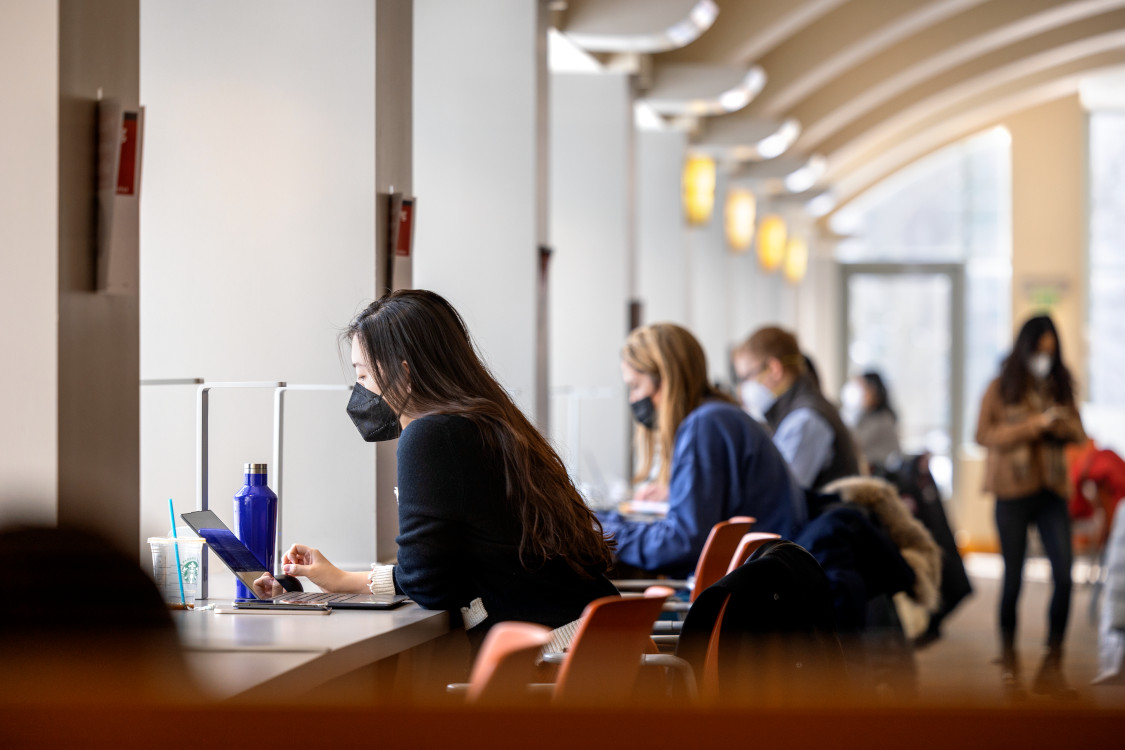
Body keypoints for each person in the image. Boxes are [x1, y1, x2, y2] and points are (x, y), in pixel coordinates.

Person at [255, 289, 618, 642]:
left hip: (547, 661)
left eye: (363, 375)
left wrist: (342, 580)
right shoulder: (492, 422)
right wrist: (337, 579)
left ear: (404, 372)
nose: (359, 390)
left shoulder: (430, 436)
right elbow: (450, 569)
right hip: (594, 644)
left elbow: (429, 584)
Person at [595, 323, 806, 577]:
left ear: (666, 380)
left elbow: (681, 543)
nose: (632, 399)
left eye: (636, 386)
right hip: (769, 579)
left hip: (749, 591)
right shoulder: (721, 416)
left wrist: (601, 531)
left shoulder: (704, 426)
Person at [976, 314, 1086, 697]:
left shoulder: (1060, 386)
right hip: (1012, 492)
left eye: (1050, 352)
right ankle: (1009, 664)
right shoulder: (999, 387)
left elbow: (1079, 432)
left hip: (1052, 491)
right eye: (1039, 351)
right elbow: (983, 434)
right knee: (1013, 578)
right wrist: (1032, 426)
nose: (1044, 358)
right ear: (1025, 348)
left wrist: (1058, 425)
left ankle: (1052, 664)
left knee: (1064, 575)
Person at [733, 326, 860, 490]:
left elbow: (778, 493)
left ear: (774, 369)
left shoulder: (805, 419)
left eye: (746, 377)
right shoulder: (802, 407)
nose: (742, 388)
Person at [847, 371, 902, 472]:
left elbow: (856, 443)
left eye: (863, 389)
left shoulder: (884, 419)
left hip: (878, 474)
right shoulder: (863, 416)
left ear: (874, 391)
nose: (860, 394)